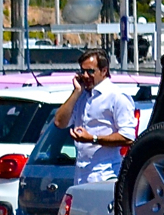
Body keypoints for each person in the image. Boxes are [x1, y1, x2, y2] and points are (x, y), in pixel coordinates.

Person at [52, 48, 136, 184]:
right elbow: (59, 122)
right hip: (81, 175)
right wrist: (76, 92)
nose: (85, 76)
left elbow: (128, 137)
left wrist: (93, 139)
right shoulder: (82, 96)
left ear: (104, 71)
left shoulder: (117, 97)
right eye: (82, 71)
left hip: (106, 174)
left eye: (90, 71)